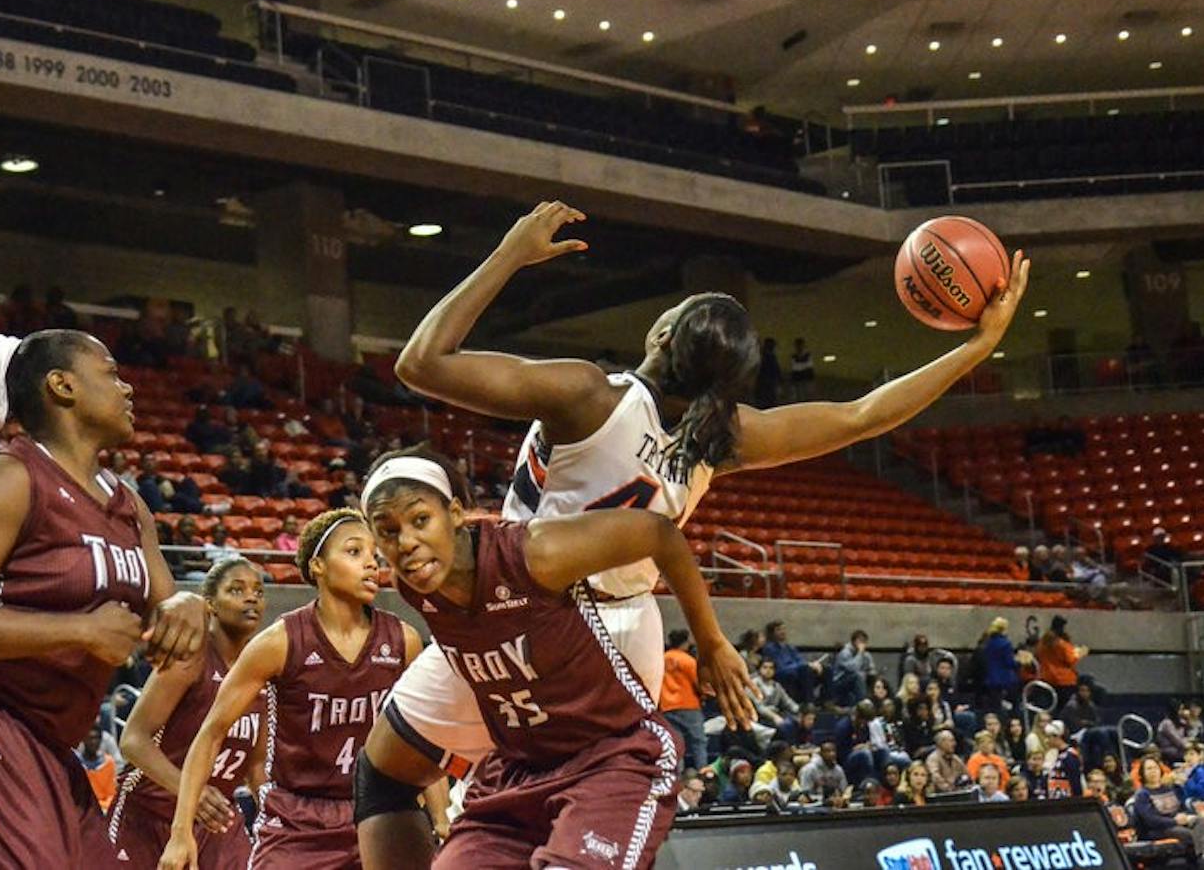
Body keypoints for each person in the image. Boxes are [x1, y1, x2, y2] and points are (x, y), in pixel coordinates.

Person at [375, 200, 1027, 782]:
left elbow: (420, 362)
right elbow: (864, 414)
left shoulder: (588, 394)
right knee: (555, 803)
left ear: (662, 335)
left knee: (396, 772)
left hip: (529, 609)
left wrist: (510, 252)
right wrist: (980, 346)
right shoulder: (722, 439)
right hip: (626, 630)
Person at [0, 329, 209, 870]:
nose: (127, 389)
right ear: (62, 385)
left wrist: (189, 608)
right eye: (111, 374)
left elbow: (167, 619)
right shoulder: (10, 475)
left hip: (50, 746)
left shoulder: (128, 505)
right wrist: (78, 631)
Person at [348, 445, 755, 870]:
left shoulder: (533, 553)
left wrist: (711, 643)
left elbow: (658, 533)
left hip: (611, 758)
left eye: (420, 521)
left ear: (454, 513)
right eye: (389, 531)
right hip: (519, 771)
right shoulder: (414, 584)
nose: (407, 542)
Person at [158, 508, 437, 870]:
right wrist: (182, 831)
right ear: (318, 566)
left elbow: (421, 738)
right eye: (354, 552)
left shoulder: (403, 639)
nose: (371, 563)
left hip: (379, 811)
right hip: (297, 819)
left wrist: (442, 817)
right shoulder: (280, 642)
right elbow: (211, 732)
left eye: (373, 554)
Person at [108, 558, 266, 868]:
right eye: (236, 590)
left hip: (217, 819)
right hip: (149, 812)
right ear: (211, 605)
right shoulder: (191, 657)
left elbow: (256, 765)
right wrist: (190, 790)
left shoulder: (262, 668)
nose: (251, 598)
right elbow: (133, 740)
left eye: (259, 592)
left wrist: (282, 821)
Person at [1133, 756, 1204, 858]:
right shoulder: (1142, 794)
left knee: (1200, 821)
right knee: (1190, 834)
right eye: (1149, 769)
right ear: (1142, 773)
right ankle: (1201, 859)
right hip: (1157, 830)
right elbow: (1151, 820)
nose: (1153, 771)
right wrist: (1175, 821)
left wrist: (1187, 816)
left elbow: (1181, 807)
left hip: (1178, 822)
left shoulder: (1168, 788)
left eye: (1155, 768)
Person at [660, 630, 707, 771]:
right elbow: (699, 683)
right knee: (699, 742)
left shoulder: (661, 659)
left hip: (667, 706)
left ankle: (677, 776)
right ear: (685, 642)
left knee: (676, 744)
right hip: (689, 705)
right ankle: (702, 772)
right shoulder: (688, 660)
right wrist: (704, 697)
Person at [761, 621, 824, 707]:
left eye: (783, 629)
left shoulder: (789, 647)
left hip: (798, 672)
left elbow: (800, 660)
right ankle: (809, 703)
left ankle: (827, 702)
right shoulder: (770, 648)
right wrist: (805, 665)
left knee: (827, 669)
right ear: (772, 633)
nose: (782, 632)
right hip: (782, 673)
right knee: (805, 669)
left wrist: (813, 665)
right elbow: (781, 666)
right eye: (779, 630)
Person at [1037, 617, 1087, 708]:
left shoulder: (1042, 642)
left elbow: (1038, 656)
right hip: (1065, 681)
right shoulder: (1062, 644)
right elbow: (1071, 659)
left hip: (1047, 678)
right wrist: (1079, 653)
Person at [980, 617, 1021, 712]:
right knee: (1013, 704)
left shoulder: (989, 642)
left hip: (991, 678)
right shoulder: (1005, 644)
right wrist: (1019, 662)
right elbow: (1009, 663)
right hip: (1004, 679)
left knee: (994, 705)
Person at [830, 629, 875, 708]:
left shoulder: (866, 655)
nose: (862, 644)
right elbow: (853, 668)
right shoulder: (845, 653)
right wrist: (860, 653)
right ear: (854, 641)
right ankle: (863, 703)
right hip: (839, 682)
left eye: (864, 642)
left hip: (856, 682)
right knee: (857, 675)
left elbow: (872, 670)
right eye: (860, 641)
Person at [1039, 720, 1083, 800]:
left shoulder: (1070, 756)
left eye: (1049, 737)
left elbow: (1075, 783)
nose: (1046, 740)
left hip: (1067, 800)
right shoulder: (1052, 755)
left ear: (1057, 736)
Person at [77, 725, 117, 813]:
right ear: (83, 739)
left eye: (96, 738)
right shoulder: (76, 764)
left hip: (103, 809)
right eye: (90, 738)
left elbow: (111, 794)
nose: (93, 742)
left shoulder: (108, 763)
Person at [797, 741, 848, 807]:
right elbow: (805, 793)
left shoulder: (838, 769)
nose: (832, 754)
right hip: (813, 804)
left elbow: (843, 790)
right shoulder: (809, 769)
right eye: (828, 751)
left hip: (833, 804)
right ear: (821, 753)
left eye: (834, 751)